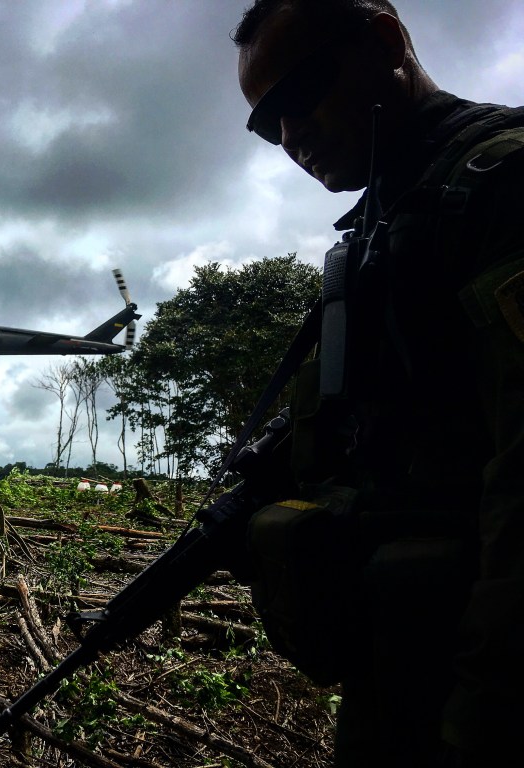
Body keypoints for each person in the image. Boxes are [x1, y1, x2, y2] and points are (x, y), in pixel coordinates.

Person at [231, 1, 524, 766]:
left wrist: (486, 711)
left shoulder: (503, 184)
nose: (290, 138)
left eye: (300, 96)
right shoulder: (378, 231)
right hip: (405, 660)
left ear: (387, 44)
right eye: (267, 124)